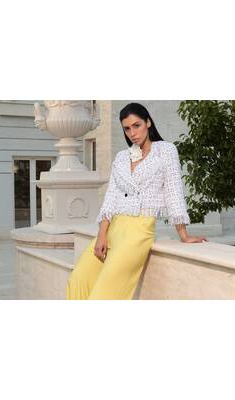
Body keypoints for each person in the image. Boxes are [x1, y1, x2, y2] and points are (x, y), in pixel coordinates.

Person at [66, 102, 208, 300]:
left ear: (148, 122)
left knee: (104, 291)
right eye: (127, 128)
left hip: (138, 230)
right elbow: (111, 196)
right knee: (78, 279)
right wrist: (102, 234)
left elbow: (173, 192)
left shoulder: (166, 151)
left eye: (136, 125)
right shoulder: (122, 157)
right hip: (113, 227)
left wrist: (183, 235)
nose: (132, 133)